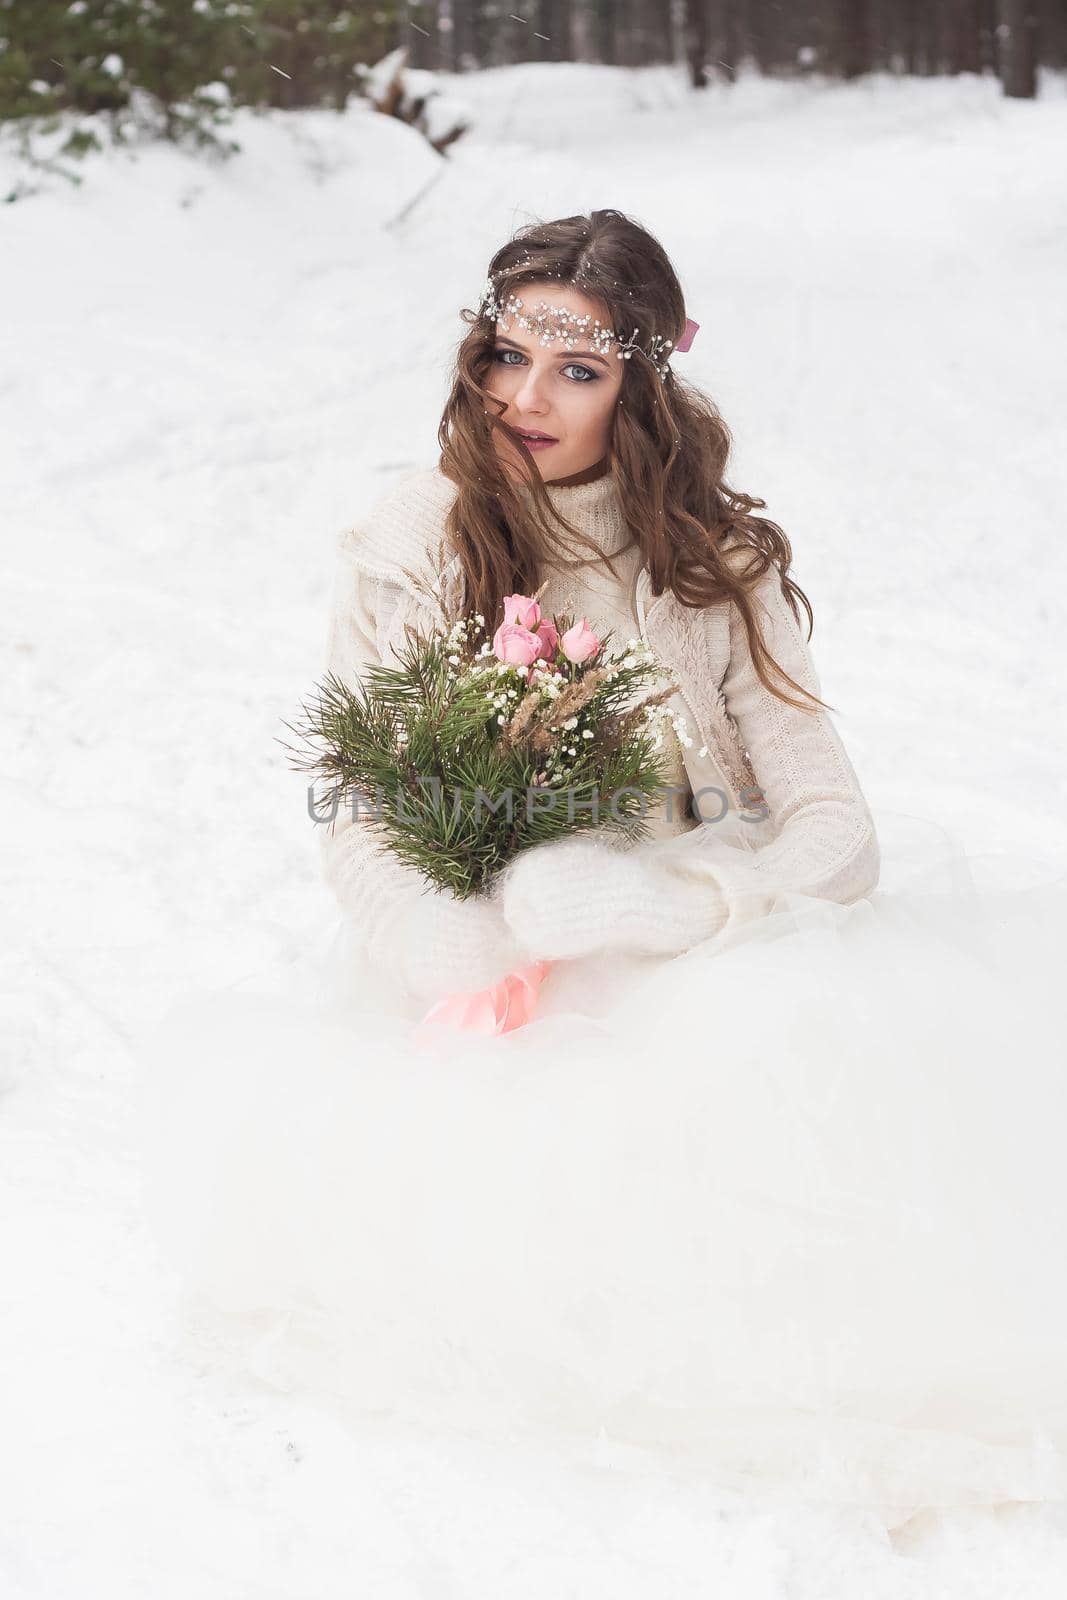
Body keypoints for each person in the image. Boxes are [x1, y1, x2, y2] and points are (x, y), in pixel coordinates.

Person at [133, 208, 1067, 1525]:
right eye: (507, 357)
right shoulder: (421, 540)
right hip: (505, 945)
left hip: (699, 937)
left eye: (577, 370)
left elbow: (834, 826)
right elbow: (357, 798)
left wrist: (686, 903)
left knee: (777, 1090)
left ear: (639, 384)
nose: (527, 398)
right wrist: (426, 929)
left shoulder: (703, 552)